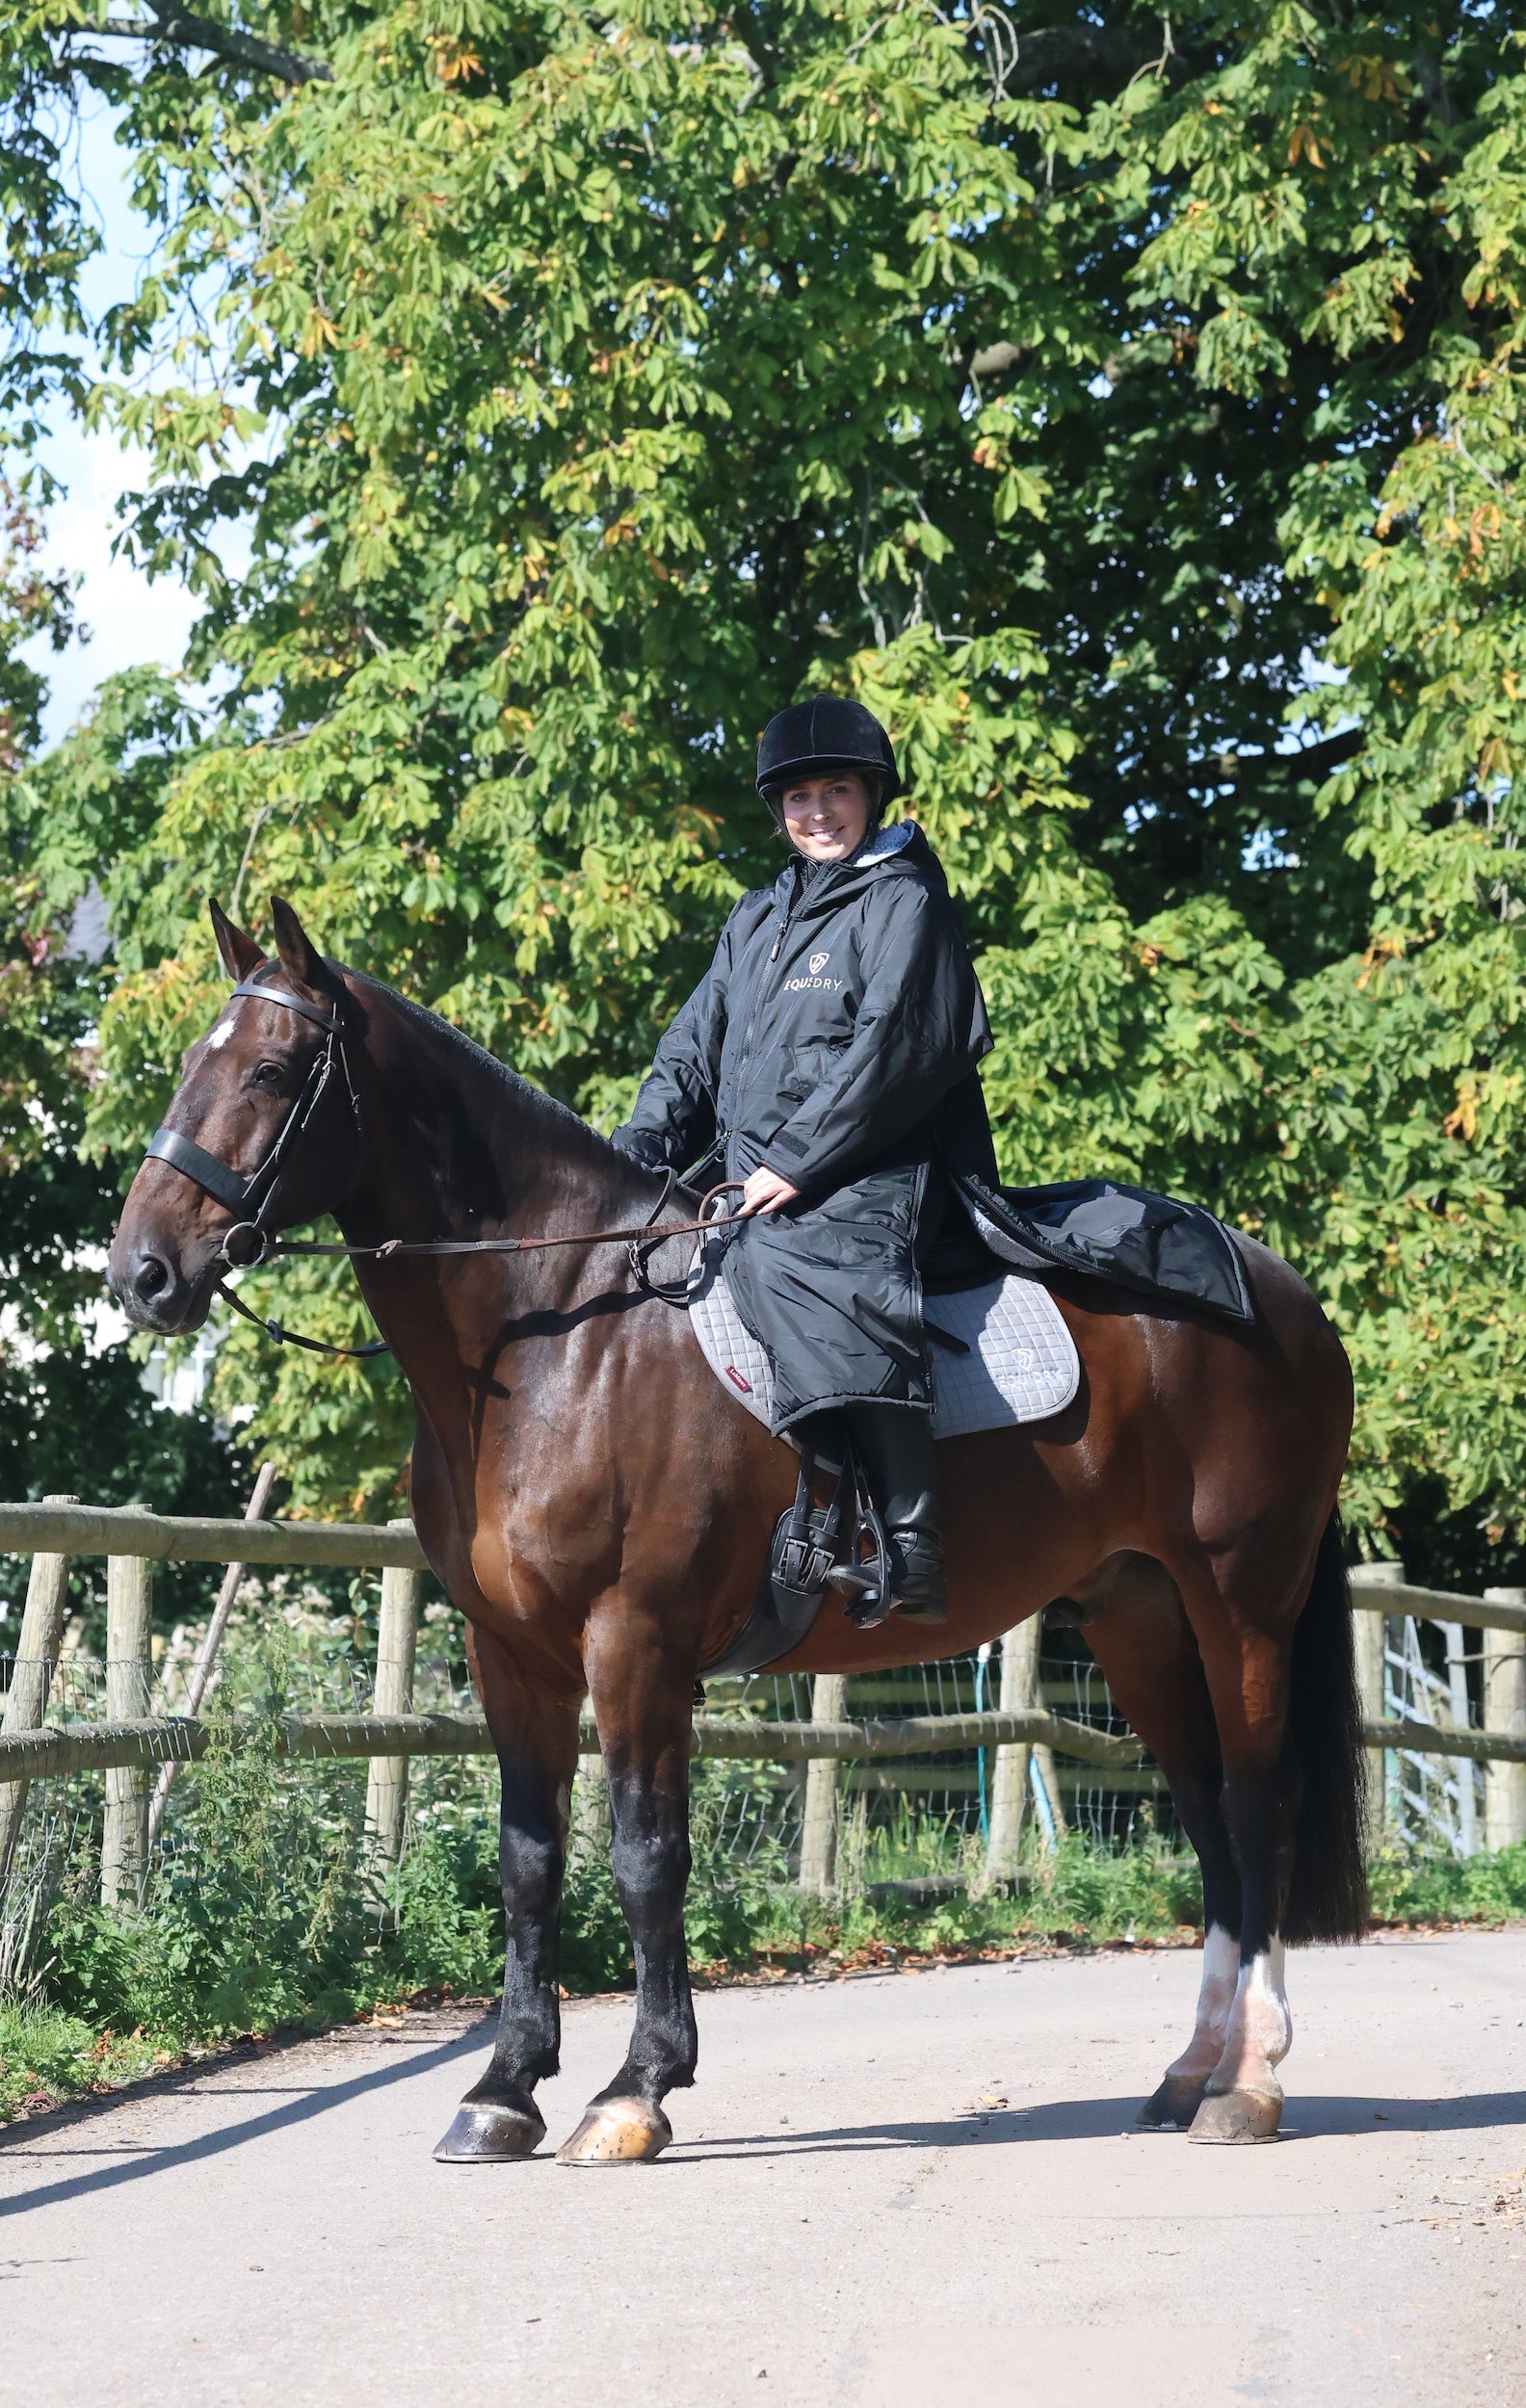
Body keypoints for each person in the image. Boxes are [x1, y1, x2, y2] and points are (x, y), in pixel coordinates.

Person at [613, 696, 998, 1625]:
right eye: (798, 798)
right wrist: (630, 1157)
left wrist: (797, 1161)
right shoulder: (758, 916)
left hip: (874, 1173)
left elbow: (901, 1047)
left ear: (870, 794)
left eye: (836, 791)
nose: (817, 812)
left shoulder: (904, 900)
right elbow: (692, 1049)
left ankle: (908, 1542)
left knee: (793, 1261)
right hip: (757, 1172)